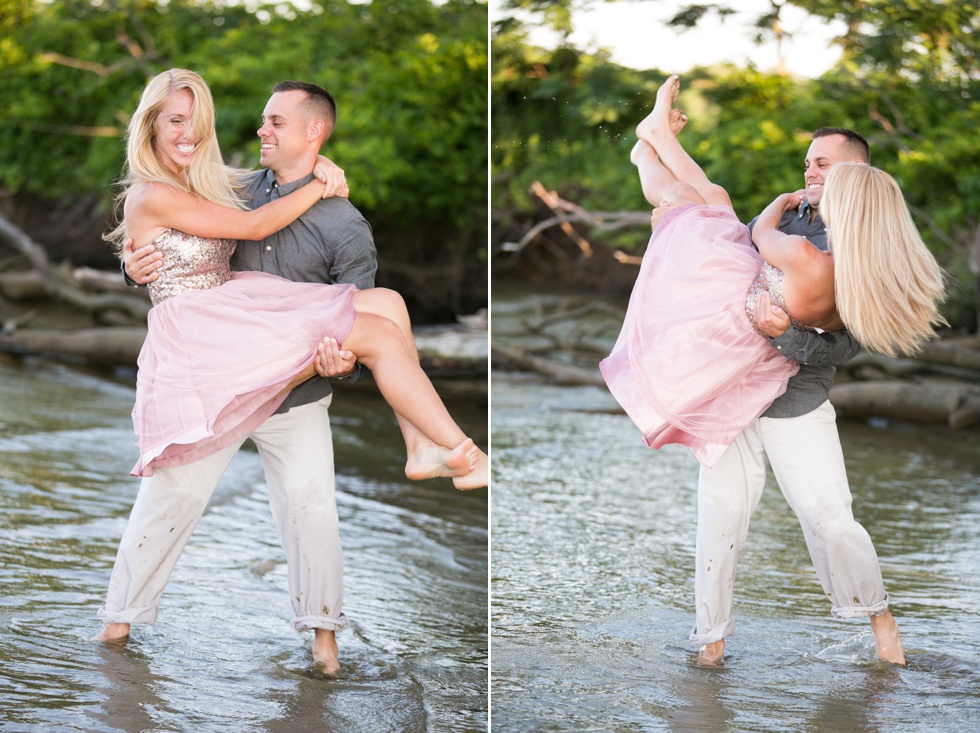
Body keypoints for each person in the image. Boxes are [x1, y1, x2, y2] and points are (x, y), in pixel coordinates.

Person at [93, 69, 488, 672]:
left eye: (197, 124)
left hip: (292, 375)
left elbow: (352, 304)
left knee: (385, 314)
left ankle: (418, 454)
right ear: (149, 123)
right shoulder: (234, 191)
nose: (191, 134)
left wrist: (344, 364)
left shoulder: (336, 222)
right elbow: (231, 229)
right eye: (175, 120)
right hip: (214, 358)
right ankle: (115, 631)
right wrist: (133, 264)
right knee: (169, 501)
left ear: (315, 130)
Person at [601, 75, 946, 666]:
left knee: (829, 518)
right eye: (807, 162)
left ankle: (879, 617)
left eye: (822, 163)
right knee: (722, 515)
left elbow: (847, 349)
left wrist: (782, 334)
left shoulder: (865, 243)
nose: (809, 172)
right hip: (729, 386)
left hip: (796, 399)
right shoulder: (797, 219)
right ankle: (709, 639)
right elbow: (744, 240)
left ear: (856, 171)